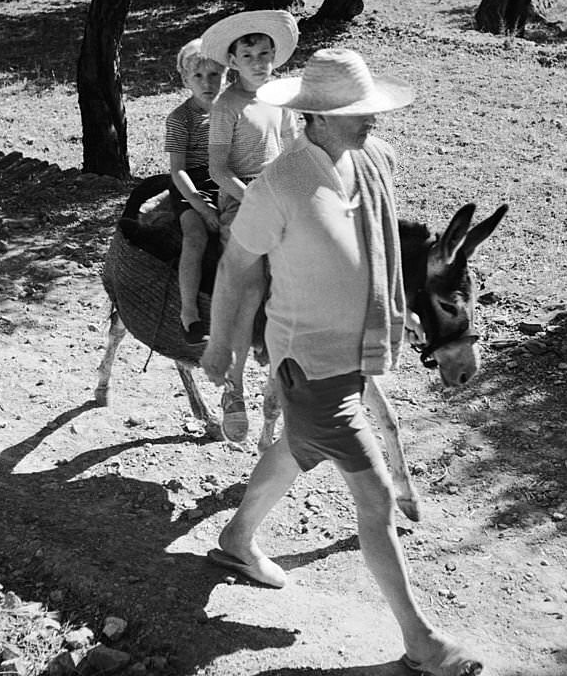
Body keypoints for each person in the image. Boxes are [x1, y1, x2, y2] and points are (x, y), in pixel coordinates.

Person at [201, 48, 483, 676]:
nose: (372, 119)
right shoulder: (281, 185)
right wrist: (223, 343)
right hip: (311, 363)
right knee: (375, 498)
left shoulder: (374, 159)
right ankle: (422, 645)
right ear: (317, 116)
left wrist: (389, 305)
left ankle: (236, 540)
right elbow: (238, 267)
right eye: (358, 112)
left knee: (299, 449)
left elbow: (374, 243)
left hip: (356, 353)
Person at [199, 9, 301, 441]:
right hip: (243, 199)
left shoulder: (282, 99)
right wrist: (255, 197)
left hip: (283, 193)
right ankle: (233, 387)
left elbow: (294, 154)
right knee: (252, 280)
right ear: (234, 61)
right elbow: (218, 170)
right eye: (249, 54)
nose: (258, 62)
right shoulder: (227, 106)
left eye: (265, 54)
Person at [164, 39, 227, 343]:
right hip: (191, 183)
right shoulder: (181, 118)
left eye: (215, 75)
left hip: (225, 177)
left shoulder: (230, 111)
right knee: (195, 235)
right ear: (185, 79)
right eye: (199, 77)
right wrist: (201, 207)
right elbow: (178, 170)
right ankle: (189, 312)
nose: (208, 83)